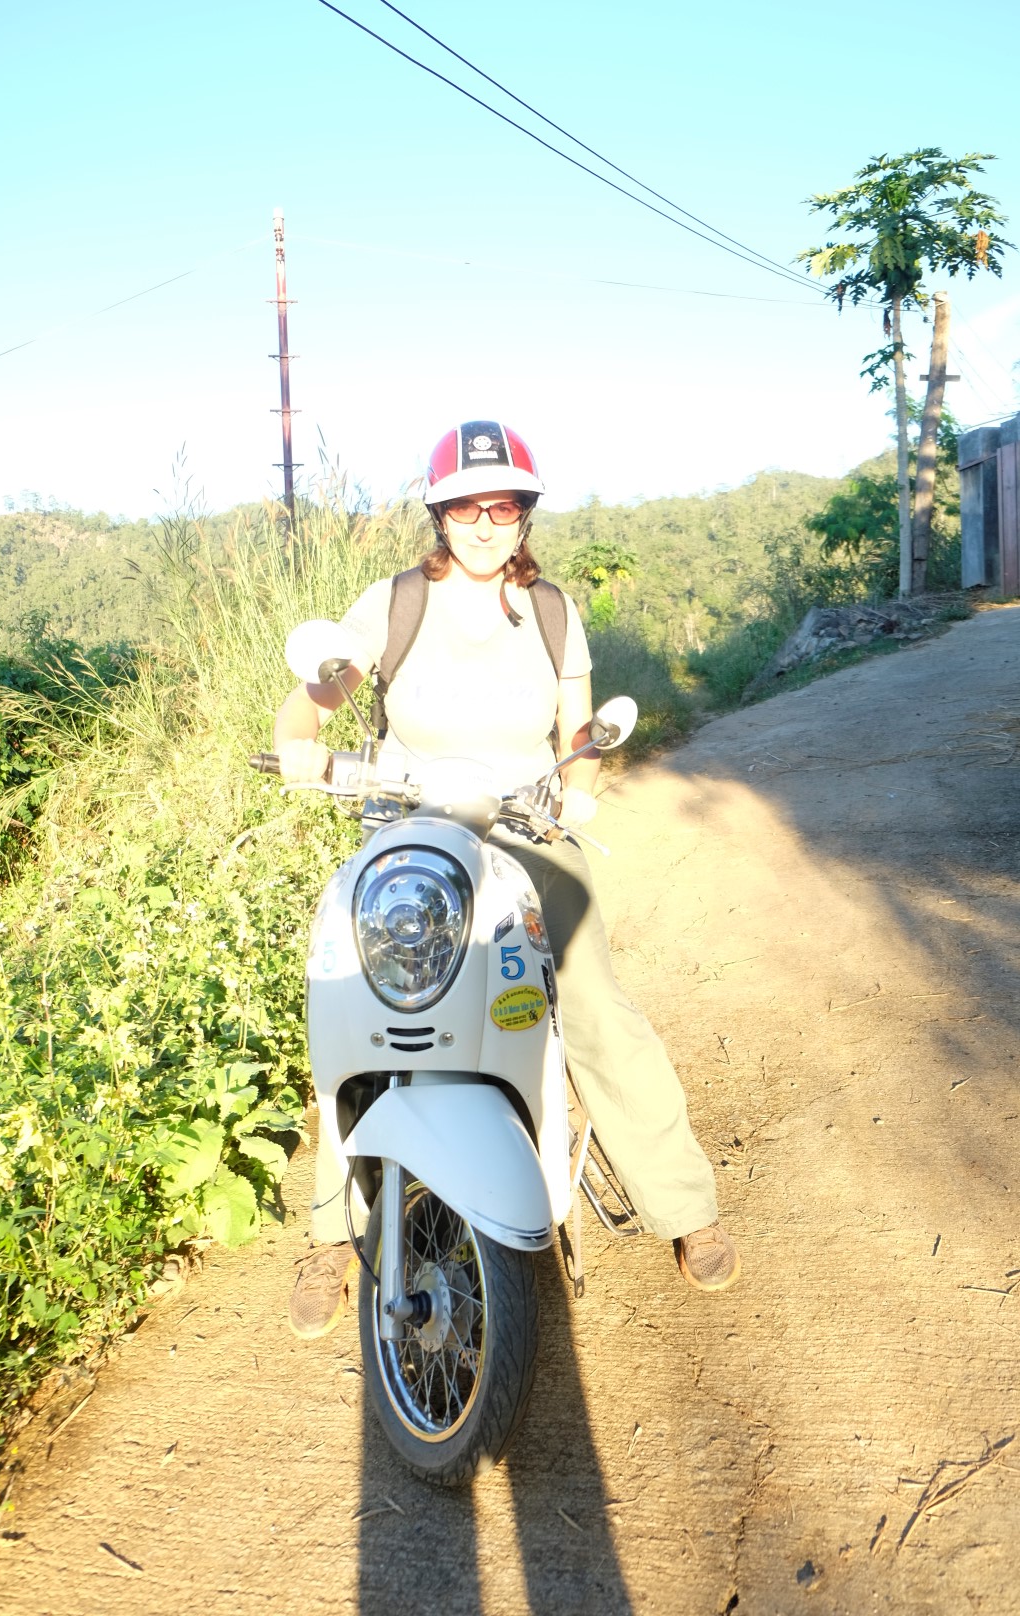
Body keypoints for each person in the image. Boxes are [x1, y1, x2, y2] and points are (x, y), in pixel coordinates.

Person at [274, 419, 739, 1339]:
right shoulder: (397, 601)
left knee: (593, 1003)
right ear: (438, 514)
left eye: (504, 507)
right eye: (466, 508)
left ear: (524, 515)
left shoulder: (550, 610)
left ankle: (685, 1206)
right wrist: (299, 739)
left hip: (527, 830)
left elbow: (578, 732)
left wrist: (582, 782)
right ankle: (335, 1229)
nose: (485, 525)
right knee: (357, 1002)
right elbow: (319, 694)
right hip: (411, 830)